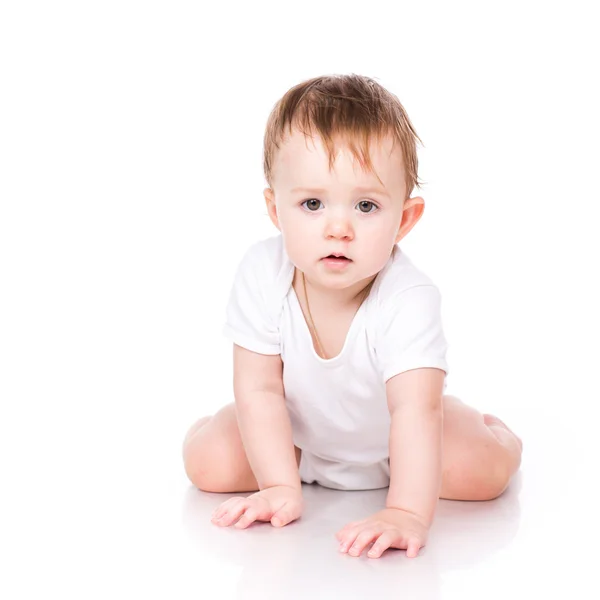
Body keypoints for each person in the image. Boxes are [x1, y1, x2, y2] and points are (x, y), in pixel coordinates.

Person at [182, 73, 523, 559]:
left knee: (482, 475)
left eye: (365, 205)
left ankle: (495, 431)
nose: (338, 228)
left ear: (404, 220)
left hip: (394, 443)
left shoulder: (408, 297)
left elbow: (413, 411)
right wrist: (279, 485)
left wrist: (405, 511)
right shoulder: (263, 272)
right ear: (275, 210)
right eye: (313, 204)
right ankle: (212, 426)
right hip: (296, 441)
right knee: (208, 464)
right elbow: (258, 388)